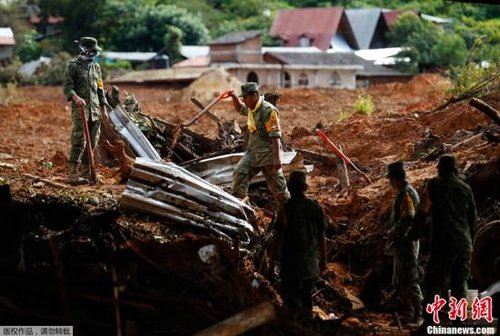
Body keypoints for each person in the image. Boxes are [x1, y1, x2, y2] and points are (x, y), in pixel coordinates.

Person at [419, 154, 477, 326]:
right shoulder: (466, 188)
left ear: (440, 169)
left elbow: (424, 211)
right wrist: (469, 242)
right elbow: (473, 219)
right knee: (460, 284)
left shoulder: (434, 185)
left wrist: (413, 233)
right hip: (463, 244)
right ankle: (459, 323)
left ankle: (430, 322)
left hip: (443, 243)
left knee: (434, 282)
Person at [225, 83, 290, 205]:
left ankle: (289, 213)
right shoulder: (251, 108)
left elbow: (275, 136)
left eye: (245, 97)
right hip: (253, 152)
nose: (243, 100)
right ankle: (241, 207)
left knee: (279, 189)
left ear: (254, 95)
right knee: (240, 174)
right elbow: (240, 108)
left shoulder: (268, 110)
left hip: (268, 154)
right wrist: (233, 97)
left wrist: (277, 159)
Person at [274, 170, 327, 319]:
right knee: (306, 300)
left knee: (291, 303)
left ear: (289, 187)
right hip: (309, 265)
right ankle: (308, 326)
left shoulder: (285, 208)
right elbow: (322, 235)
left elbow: (278, 237)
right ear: (305, 187)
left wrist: (272, 263)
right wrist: (323, 260)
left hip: (290, 265)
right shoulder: (315, 207)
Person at [63, 37, 108, 185]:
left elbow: (100, 88)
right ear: (83, 49)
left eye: (96, 51)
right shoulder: (72, 65)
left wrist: (104, 108)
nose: (94, 53)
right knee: (79, 141)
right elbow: (68, 87)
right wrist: (76, 98)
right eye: (92, 50)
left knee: (93, 142)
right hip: (80, 110)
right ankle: (72, 174)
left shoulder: (96, 67)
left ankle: (86, 172)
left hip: (95, 111)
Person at [386, 161, 423, 327]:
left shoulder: (406, 193)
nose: (389, 182)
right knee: (400, 280)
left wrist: (393, 232)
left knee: (409, 278)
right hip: (403, 242)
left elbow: (408, 217)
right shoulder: (404, 192)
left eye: (390, 179)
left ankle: (418, 315)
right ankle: (408, 314)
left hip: (406, 242)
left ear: (395, 179)